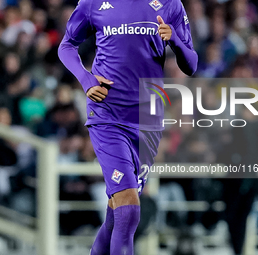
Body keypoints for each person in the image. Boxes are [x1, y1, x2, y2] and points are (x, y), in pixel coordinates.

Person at [58, 0, 197, 254]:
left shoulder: (170, 4)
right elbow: (67, 45)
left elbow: (191, 64)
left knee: (117, 214)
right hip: (108, 115)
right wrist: (86, 78)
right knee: (130, 209)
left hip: (148, 121)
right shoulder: (93, 3)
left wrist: (175, 39)